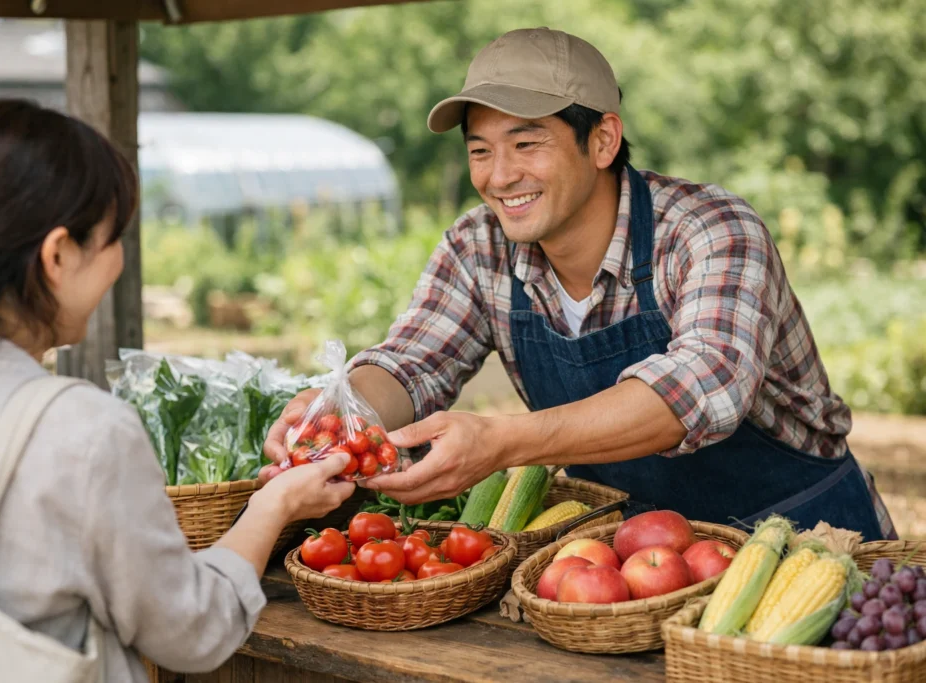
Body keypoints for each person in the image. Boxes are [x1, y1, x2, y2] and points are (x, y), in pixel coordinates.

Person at [263, 27, 895, 541]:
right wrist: (339, 418)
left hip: (809, 541)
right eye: (480, 150)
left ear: (602, 139)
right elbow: (411, 364)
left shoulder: (710, 231)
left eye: (526, 143)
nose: (500, 176)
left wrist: (506, 442)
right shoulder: (477, 246)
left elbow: (703, 387)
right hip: (639, 558)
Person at [0, 99, 354, 682]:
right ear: (58, 254)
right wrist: (274, 505)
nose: (118, 259)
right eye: (115, 237)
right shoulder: (78, 431)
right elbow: (191, 632)